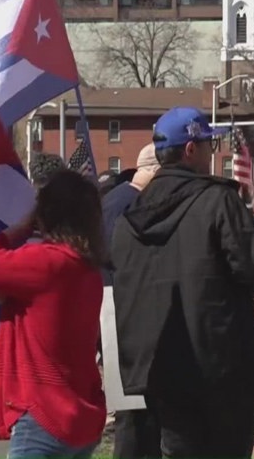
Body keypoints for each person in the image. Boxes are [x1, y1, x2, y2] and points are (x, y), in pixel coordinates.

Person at [110, 107, 254, 458]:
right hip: (222, 373)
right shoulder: (219, 201)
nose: (211, 154)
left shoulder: (127, 218)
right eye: (207, 145)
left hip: (158, 374)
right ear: (189, 150)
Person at [0, 169, 108, 459]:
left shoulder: (46, 262)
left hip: (45, 416)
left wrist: (16, 230)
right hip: (80, 413)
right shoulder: (86, 267)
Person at [101, 143, 161, 459]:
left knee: (130, 414)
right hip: (132, 313)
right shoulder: (140, 206)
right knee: (141, 417)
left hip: (108, 314)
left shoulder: (107, 202)